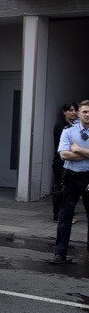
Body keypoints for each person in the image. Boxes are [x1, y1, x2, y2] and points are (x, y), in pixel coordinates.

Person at [51, 100, 89, 264]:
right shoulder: (68, 131)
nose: (87, 115)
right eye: (85, 112)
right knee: (65, 216)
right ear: (79, 114)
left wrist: (78, 149)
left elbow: (71, 152)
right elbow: (63, 155)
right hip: (71, 176)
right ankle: (60, 254)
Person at [52, 102, 78, 222]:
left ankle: (67, 215)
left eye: (75, 110)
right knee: (60, 189)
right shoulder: (60, 126)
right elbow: (62, 148)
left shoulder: (77, 127)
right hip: (61, 163)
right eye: (70, 110)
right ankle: (57, 215)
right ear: (64, 112)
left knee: (70, 191)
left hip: (72, 162)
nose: (73, 112)